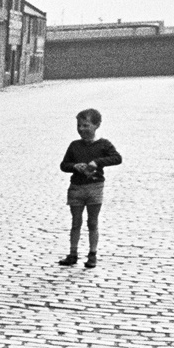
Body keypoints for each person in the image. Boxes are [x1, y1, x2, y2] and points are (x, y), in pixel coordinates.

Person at [58, 108, 122, 268]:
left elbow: (117, 158)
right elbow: (64, 165)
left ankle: (92, 254)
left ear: (96, 125)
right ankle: (73, 253)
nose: (81, 129)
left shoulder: (103, 144)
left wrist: (98, 162)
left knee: (92, 222)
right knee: (76, 222)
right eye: (79, 126)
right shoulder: (74, 145)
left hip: (95, 187)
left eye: (86, 125)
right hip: (76, 188)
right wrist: (74, 166)